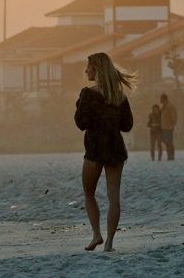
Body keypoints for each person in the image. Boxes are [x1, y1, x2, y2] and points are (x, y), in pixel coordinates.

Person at [74, 52, 135, 252]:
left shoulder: (88, 94)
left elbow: (81, 123)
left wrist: (79, 106)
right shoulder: (119, 96)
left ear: (96, 70)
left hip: (94, 150)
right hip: (116, 150)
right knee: (114, 199)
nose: (86, 70)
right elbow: (127, 126)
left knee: (89, 193)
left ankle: (96, 235)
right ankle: (109, 242)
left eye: (88, 67)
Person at [160, 94, 178, 161]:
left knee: (169, 142)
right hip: (163, 127)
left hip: (168, 127)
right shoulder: (163, 107)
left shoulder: (170, 106)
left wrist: (172, 125)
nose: (160, 100)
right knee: (166, 141)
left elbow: (174, 116)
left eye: (161, 98)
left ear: (164, 99)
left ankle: (171, 156)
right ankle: (169, 155)